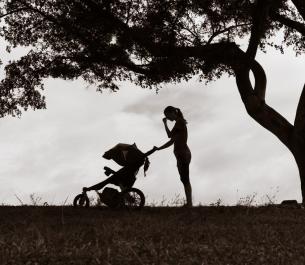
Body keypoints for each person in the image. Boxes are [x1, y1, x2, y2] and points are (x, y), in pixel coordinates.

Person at [154, 106, 192, 207]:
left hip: (183, 154)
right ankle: (189, 203)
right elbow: (171, 139)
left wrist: (165, 124)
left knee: (185, 179)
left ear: (172, 113)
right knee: (184, 179)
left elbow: (170, 137)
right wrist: (159, 148)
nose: (168, 118)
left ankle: (190, 204)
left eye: (167, 115)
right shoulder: (178, 123)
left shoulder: (179, 122)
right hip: (181, 154)